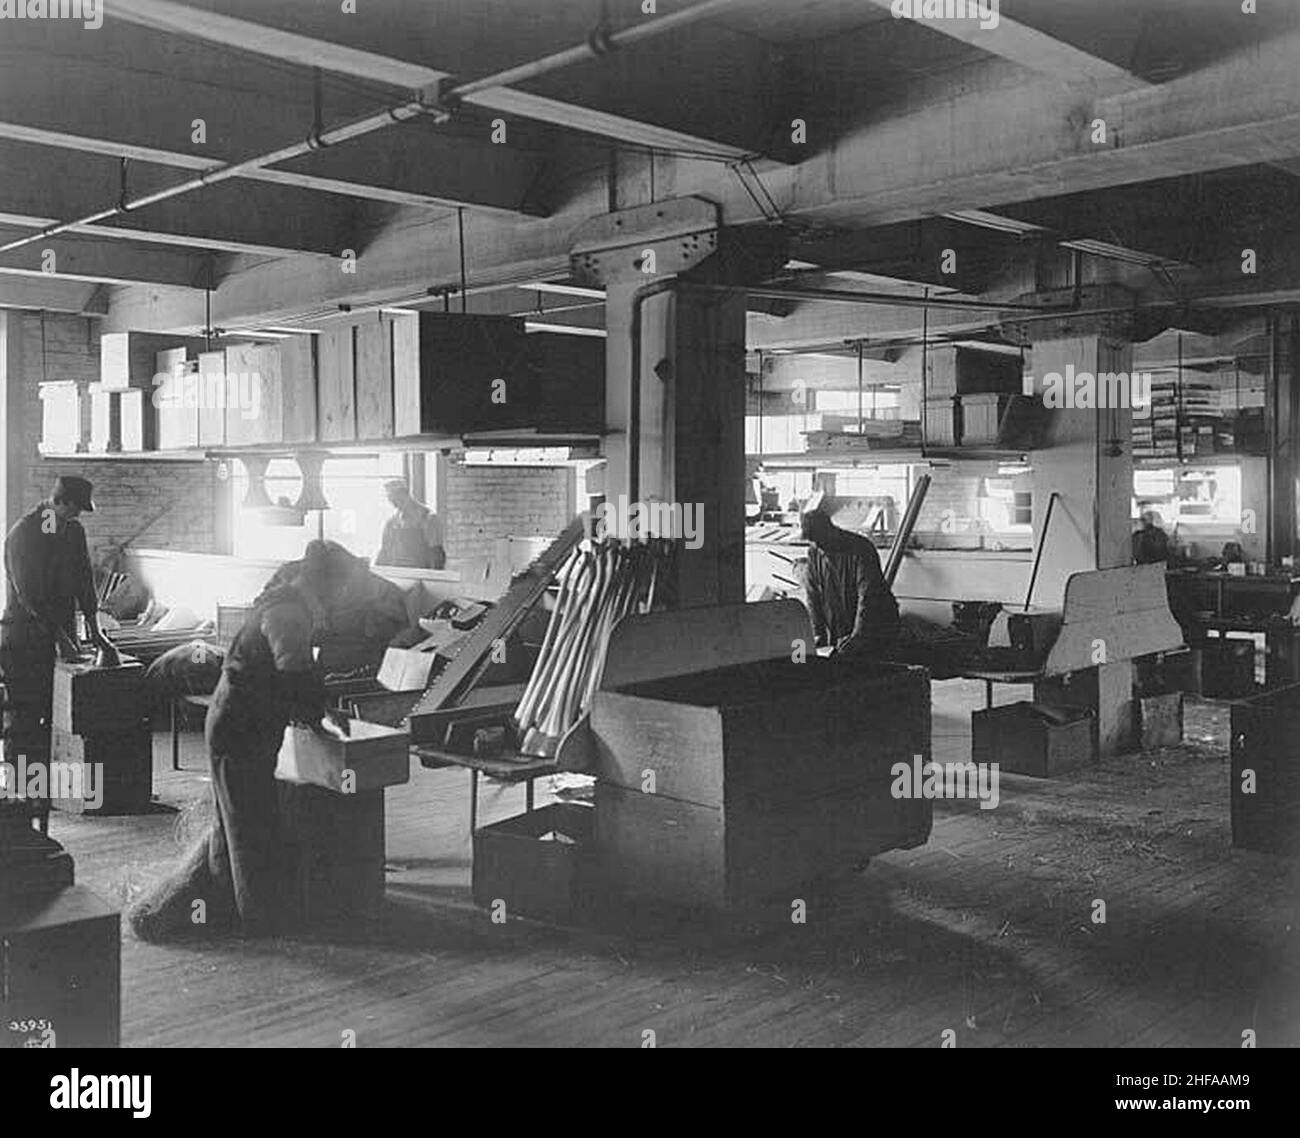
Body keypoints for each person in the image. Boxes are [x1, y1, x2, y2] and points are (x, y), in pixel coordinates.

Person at [128, 541, 355, 942]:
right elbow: (294, 672)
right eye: (338, 588)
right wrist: (317, 719)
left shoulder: (284, 600)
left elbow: (297, 675)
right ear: (323, 582)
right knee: (250, 825)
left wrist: (321, 710)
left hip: (245, 723)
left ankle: (229, 903)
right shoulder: (288, 613)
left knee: (235, 817)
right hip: (241, 727)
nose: (339, 596)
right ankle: (260, 919)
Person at [1, 476, 113, 749]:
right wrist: (60, 638)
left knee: (58, 711)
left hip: (60, 633)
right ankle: (22, 787)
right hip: (25, 636)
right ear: (58, 501)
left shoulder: (73, 531)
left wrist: (94, 628)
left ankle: (50, 785)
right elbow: (31, 596)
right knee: (26, 714)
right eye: (74, 508)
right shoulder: (24, 534)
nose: (77, 516)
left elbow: (84, 581)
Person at [801, 504, 900, 659]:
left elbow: (867, 597)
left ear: (829, 530)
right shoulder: (815, 551)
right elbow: (813, 596)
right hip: (845, 625)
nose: (818, 546)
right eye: (813, 542)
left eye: (819, 540)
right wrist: (817, 634)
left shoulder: (861, 548)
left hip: (876, 627)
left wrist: (857, 636)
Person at [376, 479, 445, 570]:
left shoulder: (428, 519)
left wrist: (433, 579)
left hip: (420, 576)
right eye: (391, 501)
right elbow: (384, 552)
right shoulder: (392, 523)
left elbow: (436, 555)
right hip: (396, 575)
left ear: (405, 495)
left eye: (397, 500)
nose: (394, 504)